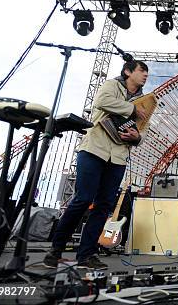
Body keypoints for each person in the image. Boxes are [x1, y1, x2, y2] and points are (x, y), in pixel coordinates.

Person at [43, 60, 149, 269]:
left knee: (103, 206)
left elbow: (144, 129)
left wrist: (136, 137)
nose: (145, 75)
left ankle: (86, 255)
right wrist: (132, 110)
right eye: (141, 71)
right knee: (82, 199)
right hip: (94, 149)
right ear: (128, 71)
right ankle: (55, 250)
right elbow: (101, 101)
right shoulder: (112, 85)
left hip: (118, 157)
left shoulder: (144, 101)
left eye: (147, 72)